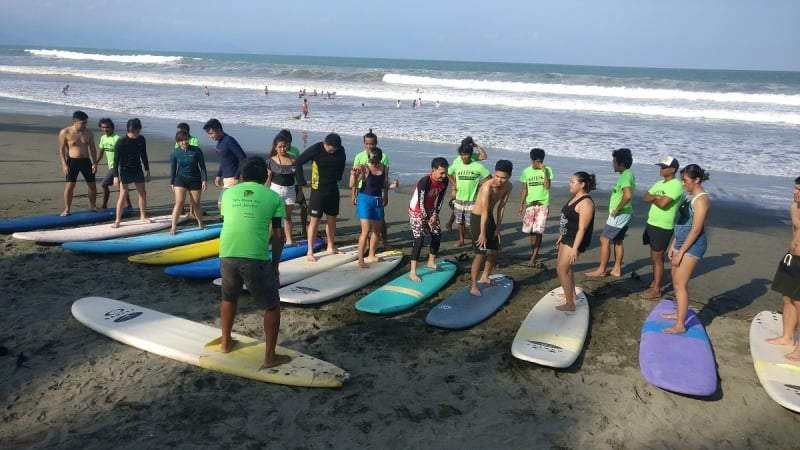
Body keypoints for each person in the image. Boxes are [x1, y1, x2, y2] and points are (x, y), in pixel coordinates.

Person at [218, 156, 291, 369]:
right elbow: (278, 235)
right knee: (271, 306)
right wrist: (275, 265)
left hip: (227, 253)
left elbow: (234, 221)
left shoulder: (228, 193)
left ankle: (225, 343)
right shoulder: (273, 198)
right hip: (255, 257)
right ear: (266, 176)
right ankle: (269, 357)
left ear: (242, 175)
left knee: (229, 297)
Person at [662, 164, 710, 334]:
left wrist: (681, 252)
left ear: (697, 180)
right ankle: (679, 313)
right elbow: (682, 222)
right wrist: (674, 244)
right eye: (682, 180)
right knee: (675, 281)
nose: (683, 184)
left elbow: (696, 229)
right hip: (681, 241)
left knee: (680, 284)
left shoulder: (701, 200)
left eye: (686, 181)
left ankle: (681, 324)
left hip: (693, 244)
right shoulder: (689, 196)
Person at [294, 133, 346, 261]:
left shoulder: (340, 150)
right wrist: (302, 181)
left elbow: (343, 162)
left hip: (333, 189)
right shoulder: (317, 148)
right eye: (331, 149)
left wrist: (339, 176)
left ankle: (331, 246)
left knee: (332, 218)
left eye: (335, 149)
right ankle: (310, 250)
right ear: (325, 143)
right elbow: (298, 162)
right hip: (318, 190)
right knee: (315, 220)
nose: (333, 151)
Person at [640, 156, 684, 300]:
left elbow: (664, 204)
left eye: (664, 167)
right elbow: (645, 197)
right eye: (661, 166)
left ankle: (657, 289)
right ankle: (654, 282)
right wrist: (656, 198)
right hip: (652, 222)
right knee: (653, 256)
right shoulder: (659, 183)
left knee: (658, 257)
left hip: (663, 225)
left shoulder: (676, 185)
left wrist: (655, 198)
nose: (661, 169)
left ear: (673, 169)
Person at [586, 148, 635, 278]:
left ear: (621, 163)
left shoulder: (625, 176)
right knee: (618, 240)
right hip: (625, 213)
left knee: (604, 239)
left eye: (614, 161)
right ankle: (616, 269)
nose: (612, 164)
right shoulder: (628, 174)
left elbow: (627, 195)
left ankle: (602, 270)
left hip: (620, 214)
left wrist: (617, 209)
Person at [766, 176, 800, 360]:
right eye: (795, 188)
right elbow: (795, 234)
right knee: (787, 298)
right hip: (791, 258)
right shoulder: (794, 207)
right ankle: (787, 337)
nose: (795, 192)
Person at [469, 160, 513, 296]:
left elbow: (501, 207)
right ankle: (473, 285)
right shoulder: (487, 187)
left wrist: (498, 227)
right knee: (480, 253)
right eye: (497, 176)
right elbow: (483, 211)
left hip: (489, 218)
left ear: (509, 177)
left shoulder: (508, 186)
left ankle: (485, 276)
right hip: (478, 218)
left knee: (496, 251)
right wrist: (482, 233)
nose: (499, 180)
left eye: (503, 177)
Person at [555, 172, 596, 311]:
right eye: (570, 181)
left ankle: (570, 304)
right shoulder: (575, 197)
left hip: (576, 240)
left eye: (572, 182)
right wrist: (562, 235)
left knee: (562, 270)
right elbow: (568, 219)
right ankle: (572, 295)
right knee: (565, 269)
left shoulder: (586, 202)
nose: (569, 184)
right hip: (567, 236)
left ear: (582, 184)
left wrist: (575, 248)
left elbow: (583, 228)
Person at [351, 131, 396, 249]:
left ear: (376, 144)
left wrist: (386, 195)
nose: (369, 146)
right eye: (366, 144)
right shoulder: (359, 156)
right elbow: (354, 178)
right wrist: (353, 194)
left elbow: (385, 179)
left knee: (381, 220)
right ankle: (366, 243)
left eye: (371, 144)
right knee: (365, 222)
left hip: (376, 192)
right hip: (363, 192)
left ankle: (385, 241)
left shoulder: (383, 156)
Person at [408, 157, 450, 282]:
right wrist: (427, 220)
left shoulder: (445, 180)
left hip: (431, 209)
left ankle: (431, 262)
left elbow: (441, 199)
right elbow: (420, 203)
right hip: (416, 210)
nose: (444, 175)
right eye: (441, 172)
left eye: (445, 172)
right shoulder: (425, 181)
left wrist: (435, 215)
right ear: (433, 170)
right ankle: (412, 271)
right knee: (419, 239)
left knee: (437, 234)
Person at [350, 148, 389, 268]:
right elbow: (352, 184)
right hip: (364, 199)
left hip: (377, 199)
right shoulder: (364, 168)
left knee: (377, 230)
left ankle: (372, 254)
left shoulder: (384, 168)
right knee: (366, 230)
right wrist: (353, 174)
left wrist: (386, 194)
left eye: (375, 161)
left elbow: (384, 184)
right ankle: (361, 259)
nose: (373, 163)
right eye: (372, 160)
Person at [448, 138, 491, 247]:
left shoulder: (477, 165)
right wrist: (454, 185)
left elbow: (489, 177)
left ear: (470, 153)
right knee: (460, 222)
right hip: (459, 198)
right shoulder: (457, 163)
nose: (464, 157)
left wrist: (481, 183)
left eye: (466, 154)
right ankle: (461, 240)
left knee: (471, 223)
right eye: (462, 154)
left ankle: (475, 241)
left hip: (472, 200)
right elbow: (448, 173)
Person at [58, 110, 99, 216]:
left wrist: (95, 163)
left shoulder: (89, 132)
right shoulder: (65, 132)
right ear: (75, 121)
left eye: (86, 122)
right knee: (70, 186)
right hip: (72, 162)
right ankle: (67, 209)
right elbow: (61, 149)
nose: (85, 125)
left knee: (92, 185)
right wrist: (64, 164)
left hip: (86, 161)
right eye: (83, 123)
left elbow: (93, 149)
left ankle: (93, 205)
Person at [517, 148, 553, 268]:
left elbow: (547, 187)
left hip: (542, 204)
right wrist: (521, 204)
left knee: (538, 231)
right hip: (530, 204)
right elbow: (524, 189)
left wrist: (544, 172)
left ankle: (534, 256)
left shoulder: (547, 170)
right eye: (537, 161)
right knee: (530, 230)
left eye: (541, 161)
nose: (539, 164)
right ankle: (534, 252)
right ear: (532, 160)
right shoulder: (526, 171)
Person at [112, 118, 151, 227]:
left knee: (143, 193)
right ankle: (117, 220)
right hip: (125, 170)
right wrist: (115, 176)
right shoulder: (121, 142)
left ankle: (143, 216)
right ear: (129, 130)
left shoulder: (141, 139)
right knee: (123, 194)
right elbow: (116, 160)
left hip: (137, 169)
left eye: (138, 131)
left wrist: (147, 171)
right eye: (134, 132)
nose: (137, 134)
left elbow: (144, 155)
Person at [203, 118, 247, 209]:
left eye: (211, 133)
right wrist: (219, 175)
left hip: (233, 178)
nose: (210, 136)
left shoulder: (229, 141)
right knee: (228, 205)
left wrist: (237, 177)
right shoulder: (219, 142)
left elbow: (243, 158)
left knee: (222, 205)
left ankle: (231, 222)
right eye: (208, 134)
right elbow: (224, 160)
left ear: (218, 129)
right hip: (226, 178)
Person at [169, 129, 207, 234]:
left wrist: (204, 180)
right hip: (180, 179)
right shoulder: (175, 153)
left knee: (196, 203)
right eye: (181, 140)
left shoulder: (196, 151)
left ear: (189, 139)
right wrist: (172, 182)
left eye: (186, 139)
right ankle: (173, 226)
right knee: (179, 202)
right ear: (178, 142)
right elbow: (173, 169)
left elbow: (203, 167)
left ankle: (201, 223)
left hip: (195, 179)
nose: (184, 142)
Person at [266, 134, 298, 245]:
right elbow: (268, 179)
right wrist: (264, 192)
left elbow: (297, 177)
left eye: (284, 146)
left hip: (290, 190)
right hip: (275, 190)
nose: (282, 149)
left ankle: (289, 240)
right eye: (280, 147)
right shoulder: (271, 161)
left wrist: (300, 192)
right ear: (275, 148)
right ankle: (268, 240)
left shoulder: (294, 159)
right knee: (273, 216)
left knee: (287, 216)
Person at [278, 129, 308, 236]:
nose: (288, 145)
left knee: (304, 207)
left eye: (289, 142)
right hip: (281, 186)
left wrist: (300, 190)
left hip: (295, 184)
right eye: (286, 143)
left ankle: (304, 229)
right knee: (282, 212)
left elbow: (298, 171)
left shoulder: (295, 151)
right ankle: (281, 233)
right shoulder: (276, 151)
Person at [94, 118, 128, 210]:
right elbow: (100, 152)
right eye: (103, 127)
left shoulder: (117, 138)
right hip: (112, 167)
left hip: (119, 166)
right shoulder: (103, 138)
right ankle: (105, 205)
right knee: (109, 185)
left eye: (107, 127)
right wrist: (95, 163)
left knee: (117, 185)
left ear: (112, 127)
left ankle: (127, 205)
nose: (105, 129)